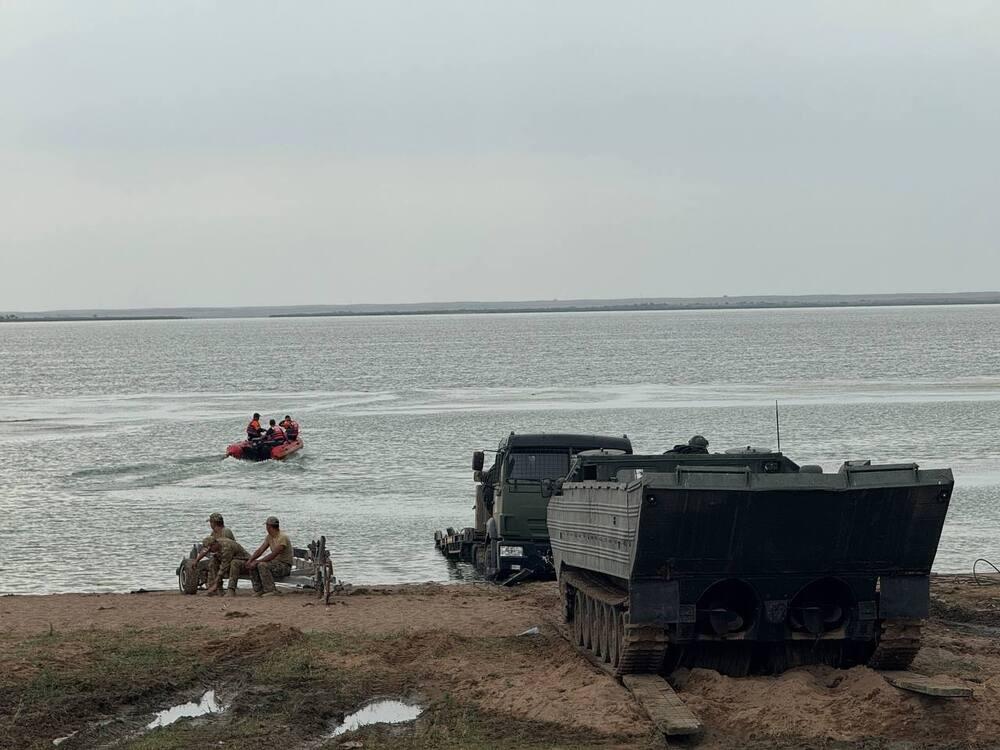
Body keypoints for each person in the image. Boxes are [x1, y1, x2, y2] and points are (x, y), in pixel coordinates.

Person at [246, 516, 293, 596]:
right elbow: (260, 550)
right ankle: (259, 590)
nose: (266, 528)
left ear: (269, 527)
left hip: (284, 566)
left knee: (262, 565)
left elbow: (273, 554)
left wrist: (258, 561)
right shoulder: (269, 537)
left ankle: (271, 590)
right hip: (275, 563)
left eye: (267, 526)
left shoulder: (282, 537)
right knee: (253, 565)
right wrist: (251, 560)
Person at [190, 513, 237, 585]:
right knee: (196, 547)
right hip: (219, 555)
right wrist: (197, 560)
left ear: (214, 523)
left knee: (203, 565)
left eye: (211, 522)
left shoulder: (226, 531)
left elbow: (228, 549)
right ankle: (204, 580)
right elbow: (208, 547)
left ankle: (206, 582)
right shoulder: (214, 532)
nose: (210, 524)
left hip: (226, 558)